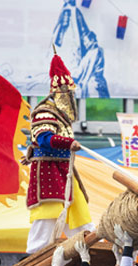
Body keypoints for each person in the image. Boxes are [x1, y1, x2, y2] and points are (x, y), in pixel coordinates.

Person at [24, 52, 95, 254]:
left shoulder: (61, 116)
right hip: (49, 173)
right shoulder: (44, 111)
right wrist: (68, 142)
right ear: (58, 93)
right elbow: (44, 138)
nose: (70, 97)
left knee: (83, 223)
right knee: (46, 223)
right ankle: (33, 262)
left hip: (66, 174)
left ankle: (91, 253)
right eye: (67, 93)